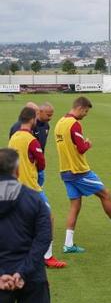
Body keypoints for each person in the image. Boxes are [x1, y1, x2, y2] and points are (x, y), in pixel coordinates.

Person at [55, 96, 111, 254]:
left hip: (65, 171)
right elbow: (81, 148)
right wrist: (88, 143)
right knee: (105, 194)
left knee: (75, 206)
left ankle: (68, 244)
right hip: (79, 171)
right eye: (85, 111)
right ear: (80, 108)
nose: (86, 115)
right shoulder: (74, 124)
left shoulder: (59, 123)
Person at [0, 148, 52, 303]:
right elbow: (43, 239)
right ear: (18, 169)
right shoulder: (33, 199)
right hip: (31, 275)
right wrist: (22, 271)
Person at [8, 107, 66, 269]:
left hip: (15, 185)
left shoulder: (14, 137)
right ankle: (47, 256)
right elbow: (42, 163)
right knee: (48, 218)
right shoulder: (31, 140)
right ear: (33, 120)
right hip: (31, 187)